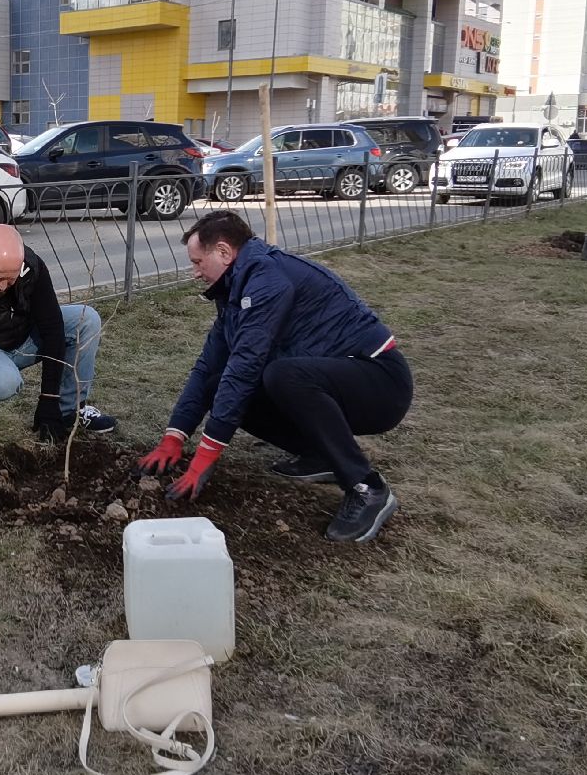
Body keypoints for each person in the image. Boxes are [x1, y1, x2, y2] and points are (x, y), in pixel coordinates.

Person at [137, 211, 413, 543]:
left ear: (223, 252)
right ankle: (320, 454)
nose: (195, 273)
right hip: (333, 380)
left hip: (381, 383)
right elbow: (208, 366)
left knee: (283, 375)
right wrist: (175, 436)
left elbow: (245, 365)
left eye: (198, 262)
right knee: (217, 384)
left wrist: (206, 455)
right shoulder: (235, 292)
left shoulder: (268, 280)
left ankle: (367, 487)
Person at [0, 224, 117, 478]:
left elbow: (52, 328)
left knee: (87, 320)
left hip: (22, 339)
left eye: (11, 278)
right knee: (5, 380)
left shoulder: (30, 267)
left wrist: (48, 401)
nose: (3, 286)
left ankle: (70, 409)